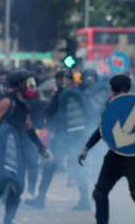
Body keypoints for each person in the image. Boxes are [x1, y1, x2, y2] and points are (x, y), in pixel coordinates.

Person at [78, 74, 135, 224]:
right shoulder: (112, 106)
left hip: (134, 157)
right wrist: (87, 147)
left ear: (113, 89)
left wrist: (86, 148)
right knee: (100, 192)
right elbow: (103, 129)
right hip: (116, 156)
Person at [0, 70, 51, 224]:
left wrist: (42, 148)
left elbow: (30, 130)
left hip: (17, 148)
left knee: (18, 187)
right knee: (1, 184)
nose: (31, 86)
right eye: (28, 82)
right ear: (19, 85)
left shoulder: (23, 106)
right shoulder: (7, 102)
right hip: (4, 149)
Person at [27, 69, 91, 210]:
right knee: (76, 167)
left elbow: (56, 114)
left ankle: (40, 199)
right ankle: (85, 200)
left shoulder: (64, 94)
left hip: (64, 137)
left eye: (62, 79)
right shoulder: (77, 93)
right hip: (76, 136)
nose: (61, 81)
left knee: (50, 166)